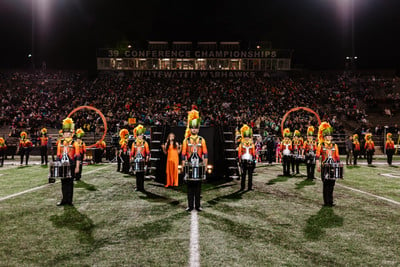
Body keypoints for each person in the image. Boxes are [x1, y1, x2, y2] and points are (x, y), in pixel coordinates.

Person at [181, 109, 208, 212]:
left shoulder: (202, 140)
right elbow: (183, 154)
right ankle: (190, 205)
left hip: (199, 165)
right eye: (192, 128)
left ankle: (198, 206)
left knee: (198, 187)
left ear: (198, 129)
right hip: (190, 165)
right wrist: (184, 166)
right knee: (189, 188)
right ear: (190, 128)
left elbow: (205, 154)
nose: (194, 130)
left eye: (196, 128)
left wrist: (205, 166)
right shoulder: (186, 140)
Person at [56, 117, 80, 206]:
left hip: (71, 165)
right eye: (65, 133)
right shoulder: (60, 142)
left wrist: (77, 167)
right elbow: (58, 155)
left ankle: (69, 200)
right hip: (62, 165)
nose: (67, 134)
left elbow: (78, 156)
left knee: (70, 183)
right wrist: (57, 166)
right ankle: (64, 199)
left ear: (71, 133)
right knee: (63, 183)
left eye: (68, 133)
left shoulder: (75, 143)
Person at [316, 122, 340, 207]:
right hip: (325, 167)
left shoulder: (335, 145)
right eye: (327, 136)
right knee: (325, 184)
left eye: (330, 136)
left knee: (332, 184)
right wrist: (318, 165)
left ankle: (331, 201)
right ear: (324, 137)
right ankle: (326, 201)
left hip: (333, 166)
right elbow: (317, 156)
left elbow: (337, 157)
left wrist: (338, 165)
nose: (329, 137)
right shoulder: (321, 145)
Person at [130, 124, 150, 191]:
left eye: (141, 134)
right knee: (137, 174)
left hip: (142, 160)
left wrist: (147, 157)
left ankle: (142, 187)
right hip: (136, 160)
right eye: (139, 134)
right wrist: (131, 158)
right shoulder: (134, 143)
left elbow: (147, 152)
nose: (140, 136)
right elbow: (132, 152)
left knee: (142, 174)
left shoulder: (145, 143)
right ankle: (138, 186)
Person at [238, 124, 256, 190]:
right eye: (246, 137)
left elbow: (254, 153)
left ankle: (249, 187)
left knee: (250, 175)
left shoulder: (252, 144)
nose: (247, 138)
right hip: (244, 160)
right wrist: (240, 160)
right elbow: (239, 152)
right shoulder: (241, 144)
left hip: (250, 160)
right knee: (243, 175)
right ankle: (242, 187)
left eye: (248, 137)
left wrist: (254, 159)